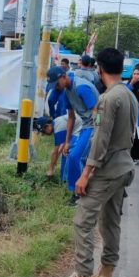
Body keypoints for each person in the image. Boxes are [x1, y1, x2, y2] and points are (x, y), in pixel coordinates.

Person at [73, 48, 137, 277]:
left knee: (83, 221)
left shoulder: (108, 99)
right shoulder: (128, 94)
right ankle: (105, 275)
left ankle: (84, 275)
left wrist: (86, 173)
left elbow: (100, 139)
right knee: (110, 222)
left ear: (99, 69)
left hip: (108, 169)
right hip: (124, 167)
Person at [47, 66, 99, 205]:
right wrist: (67, 141)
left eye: (56, 83)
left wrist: (98, 130)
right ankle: (76, 192)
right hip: (85, 125)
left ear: (63, 77)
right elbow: (71, 117)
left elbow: (96, 111)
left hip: (94, 125)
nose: (56, 87)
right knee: (71, 154)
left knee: (77, 157)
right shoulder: (66, 92)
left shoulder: (81, 88)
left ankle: (82, 195)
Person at [34, 114, 82, 183]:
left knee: (68, 153)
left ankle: (71, 181)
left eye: (43, 132)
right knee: (65, 151)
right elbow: (62, 144)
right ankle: (64, 179)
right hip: (77, 128)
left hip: (81, 128)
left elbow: (55, 152)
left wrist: (50, 169)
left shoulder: (58, 127)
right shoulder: (56, 122)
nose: (44, 134)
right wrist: (55, 160)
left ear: (47, 126)